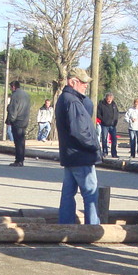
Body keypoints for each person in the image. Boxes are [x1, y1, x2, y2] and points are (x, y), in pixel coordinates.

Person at [54, 69, 101, 225]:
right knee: (90, 193)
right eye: (83, 82)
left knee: (68, 193)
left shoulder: (65, 99)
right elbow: (80, 131)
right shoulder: (73, 101)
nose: (86, 85)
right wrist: (94, 146)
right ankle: (93, 228)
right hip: (81, 155)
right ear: (72, 81)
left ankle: (65, 226)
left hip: (71, 155)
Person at [5, 80, 31, 166]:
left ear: (13, 87)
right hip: (25, 120)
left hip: (17, 121)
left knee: (18, 141)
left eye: (10, 87)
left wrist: (10, 120)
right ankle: (21, 159)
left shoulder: (15, 95)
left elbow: (13, 109)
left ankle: (18, 160)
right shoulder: (26, 95)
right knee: (22, 141)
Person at [96, 91, 120, 158]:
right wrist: (103, 120)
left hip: (112, 125)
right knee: (104, 138)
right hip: (104, 125)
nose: (109, 100)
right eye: (108, 99)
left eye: (110, 99)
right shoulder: (101, 104)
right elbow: (98, 114)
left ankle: (114, 153)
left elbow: (116, 113)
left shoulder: (114, 105)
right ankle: (105, 152)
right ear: (106, 98)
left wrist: (115, 121)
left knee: (114, 139)